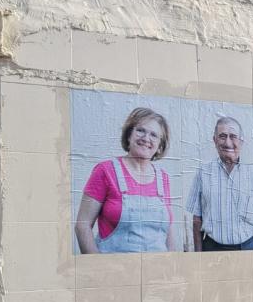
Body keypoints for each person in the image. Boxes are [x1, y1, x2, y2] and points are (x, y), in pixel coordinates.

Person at [75, 107, 177, 254]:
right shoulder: (105, 171)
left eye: (154, 135)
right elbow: (82, 226)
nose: (146, 138)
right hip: (115, 271)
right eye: (140, 130)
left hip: (157, 271)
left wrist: (173, 265)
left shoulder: (163, 178)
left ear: (160, 146)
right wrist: (97, 269)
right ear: (129, 135)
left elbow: (170, 230)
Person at [187, 116, 253, 251]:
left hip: (247, 248)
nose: (228, 143)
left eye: (233, 136)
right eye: (222, 136)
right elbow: (197, 219)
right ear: (214, 140)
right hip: (212, 249)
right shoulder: (203, 173)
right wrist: (198, 255)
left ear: (241, 141)